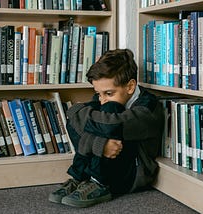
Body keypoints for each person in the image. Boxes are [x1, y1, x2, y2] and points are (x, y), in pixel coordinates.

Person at [48, 48, 165, 208]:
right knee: (95, 121)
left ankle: (98, 182)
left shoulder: (148, 107)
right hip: (111, 163)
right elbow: (73, 116)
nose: (101, 99)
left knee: (108, 113)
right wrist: (101, 146)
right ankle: (82, 178)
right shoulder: (104, 97)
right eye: (98, 93)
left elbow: (110, 124)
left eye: (108, 93)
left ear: (130, 86)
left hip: (133, 173)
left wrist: (84, 116)